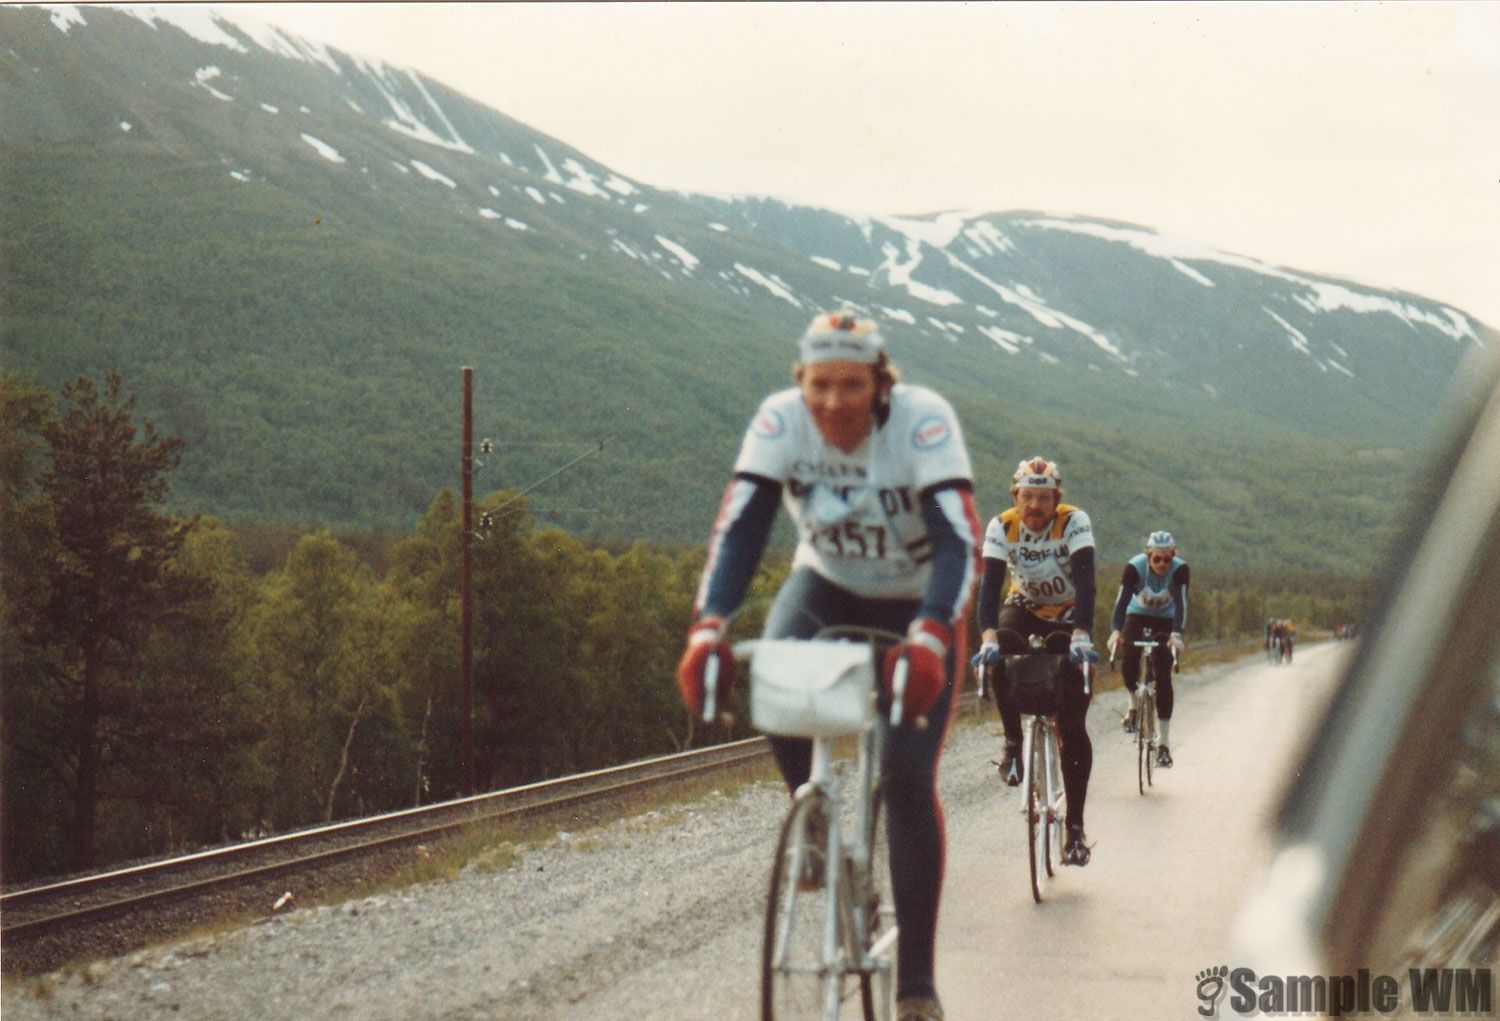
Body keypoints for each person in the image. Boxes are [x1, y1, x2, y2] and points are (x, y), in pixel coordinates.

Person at [675, 310, 980, 1021]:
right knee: (776, 685)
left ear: (880, 384)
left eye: (851, 384)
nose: (834, 401)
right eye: (820, 384)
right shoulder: (780, 421)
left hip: (918, 600)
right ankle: (806, 812)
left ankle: (915, 987)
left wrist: (933, 636)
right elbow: (742, 527)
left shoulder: (923, 421)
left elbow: (959, 540)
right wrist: (708, 628)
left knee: (905, 777)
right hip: (825, 582)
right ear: (800, 383)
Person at [970, 456, 1098, 866]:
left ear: (1057, 499)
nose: (1035, 506)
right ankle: (1013, 742)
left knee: (1073, 722)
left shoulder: (1074, 522)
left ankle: (1074, 828)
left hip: (1067, 613)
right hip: (1022, 607)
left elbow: (1088, 581)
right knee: (1002, 648)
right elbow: (988, 590)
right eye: (1027, 497)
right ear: (1016, 496)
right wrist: (987, 637)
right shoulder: (1002, 526)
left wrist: (1081, 634)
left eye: (1044, 498)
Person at [1107, 530, 1190, 768]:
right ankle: (1133, 704)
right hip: (1137, 616)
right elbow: (1121, 602)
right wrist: (1115, 631)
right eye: (1157, 559)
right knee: (1130, 659)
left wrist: (1176, 635)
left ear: (1173, 556)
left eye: (1167, 559)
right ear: (1148, 556)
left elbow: (1182, 605)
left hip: (1166, 621)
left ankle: (1163, 743)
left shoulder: (1180, 570)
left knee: (1163, 676)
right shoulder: (1134, 568)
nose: (1163, 564)